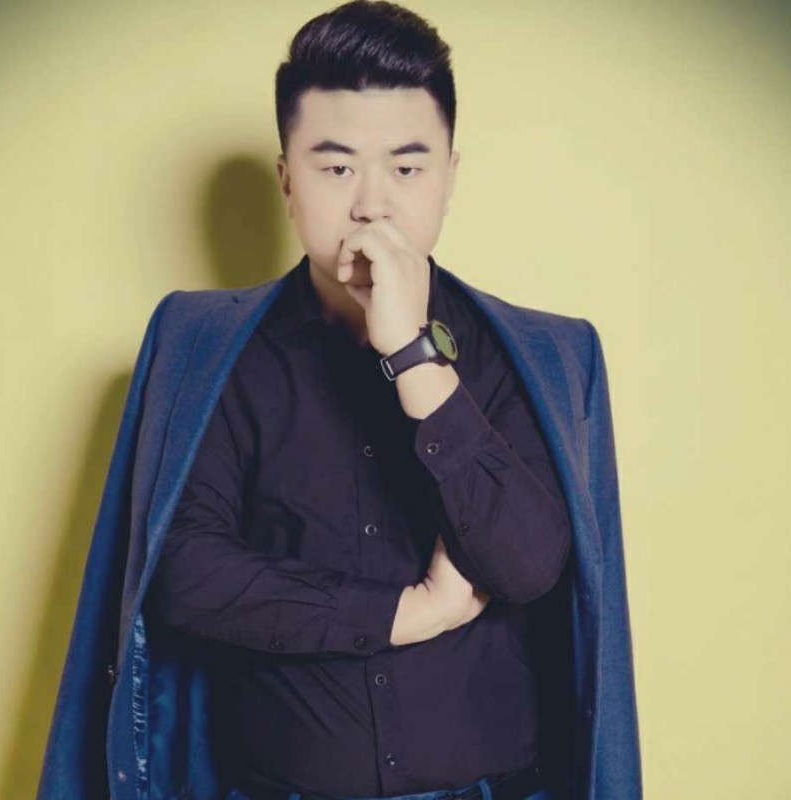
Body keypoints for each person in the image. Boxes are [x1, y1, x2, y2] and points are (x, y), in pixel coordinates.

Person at [37, 3, 642, 799]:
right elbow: (183, 572)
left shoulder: (542, 353)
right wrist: (409, 612)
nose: (372, 204)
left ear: (450, 178)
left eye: (407, 168)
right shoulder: (203, 343)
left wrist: (413, 353)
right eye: (335, 168)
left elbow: (527, 564)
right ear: (287, 180)